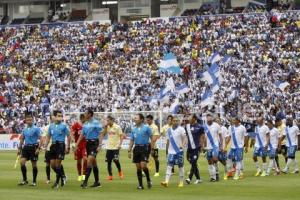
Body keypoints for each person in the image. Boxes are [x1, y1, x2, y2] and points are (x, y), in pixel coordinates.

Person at [76, 109, 103, 188]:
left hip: (94, 143)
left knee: (89, 161)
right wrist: (76, 144)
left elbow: (101, 133)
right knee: (94, 163)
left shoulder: (96, 123)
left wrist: (100, 145)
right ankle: (97, 182)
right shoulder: (85, 124)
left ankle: (85, 183)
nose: (84, 115)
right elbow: (82, 135)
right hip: (87, 144)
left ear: (90, 114)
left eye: (86, 113)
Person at [128, 113, 154, 190]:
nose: (135, 119)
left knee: (143, 166)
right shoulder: (133, 129)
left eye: (136, 118)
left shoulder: (146, 128)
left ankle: (148, 180)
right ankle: (140, 185)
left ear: (141, 119)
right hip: (136, 148)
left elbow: (152, 138)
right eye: (135, 118)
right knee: (138, 167)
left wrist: (152, 149)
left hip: (145, 148)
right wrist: (129, 150)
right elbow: (132, 140)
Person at [45, 110, 71, 189]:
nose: (60, 117)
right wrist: (46, 145)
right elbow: (48, 136)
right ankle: (63, 176)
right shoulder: (51, 126)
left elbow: (69, 136)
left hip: (60, 145)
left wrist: (68, 147)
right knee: (52, 165)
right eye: (58, 116)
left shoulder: (64, 126)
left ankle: (57, 183)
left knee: (57, 164)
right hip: (53, 146)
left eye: (61, 116)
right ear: (55, 117)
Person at [161, 115, 187, 188]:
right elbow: (168, 141)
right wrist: (166, 151)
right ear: (172, 121)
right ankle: (166, 181)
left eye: (177, 121)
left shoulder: (181, 129)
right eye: (174, 121)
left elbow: (185, 138)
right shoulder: (168, 130)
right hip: (171, 151)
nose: (176, 122)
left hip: (179, 151)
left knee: (180, 166)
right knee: (169, 166)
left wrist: (183, 145)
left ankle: (181, 182)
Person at [17, 112, 42, 186]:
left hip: (33, 148)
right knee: (22, 162)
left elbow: (41, 139)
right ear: (26, 121)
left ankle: (34, 181)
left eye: (30, 120)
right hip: (26, 148)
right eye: (28, 120)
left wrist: (38, 148)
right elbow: (22, 139)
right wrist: (19, 148)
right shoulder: (24, 129)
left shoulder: (36, 129)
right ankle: (24, 180)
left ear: (32, 120)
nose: (29, 121)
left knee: (34, 165)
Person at [101, 116, 124, 180]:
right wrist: (105, 128)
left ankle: (120, 172)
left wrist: (120, 144)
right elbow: (103, 134)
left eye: (108, 121)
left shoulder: (117, 127)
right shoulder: (107, 127)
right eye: (106, 121)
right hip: (109, 147)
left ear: (112, 120)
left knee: (116, 160)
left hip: (116, 147)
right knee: (108, 162)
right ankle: (110, 176)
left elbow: (121, 135)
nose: (107, 122)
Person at [184, 114, 205, 185]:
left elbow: (202, 137)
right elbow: (186, 136)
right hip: (189, 148)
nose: (189, 118)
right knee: (193, 162)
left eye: (190, 117)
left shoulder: (200, 127)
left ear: (194, 118)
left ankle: (189, 178)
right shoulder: (187, 126)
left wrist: (202, 146)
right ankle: (198, 179)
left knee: (193, 162)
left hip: (196, 148)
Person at [203, 113, 223, 182]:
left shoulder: (216, 125)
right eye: (208, 117)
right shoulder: (204, 126)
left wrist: (221, 145)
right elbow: (203, 137)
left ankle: (215, 174)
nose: (209, 119)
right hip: (208, 146)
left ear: (212, 118)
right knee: (209, 161)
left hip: (215, 145)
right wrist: (203, 146)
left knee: (215, 159)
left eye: (210, 117)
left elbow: (220, 135)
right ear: (206, 118)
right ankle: (212, 176)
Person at [71, 114, 87, 182]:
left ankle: (84, 175)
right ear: (82, 118)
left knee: (85, 159)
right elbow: (71, 133)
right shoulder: (76, 125)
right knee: (79, 161)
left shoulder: (86, 125)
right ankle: (79, 175)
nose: (86, 120)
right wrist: (73, 144)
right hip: (78, 146)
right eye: (85, 118)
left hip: (85, 145)